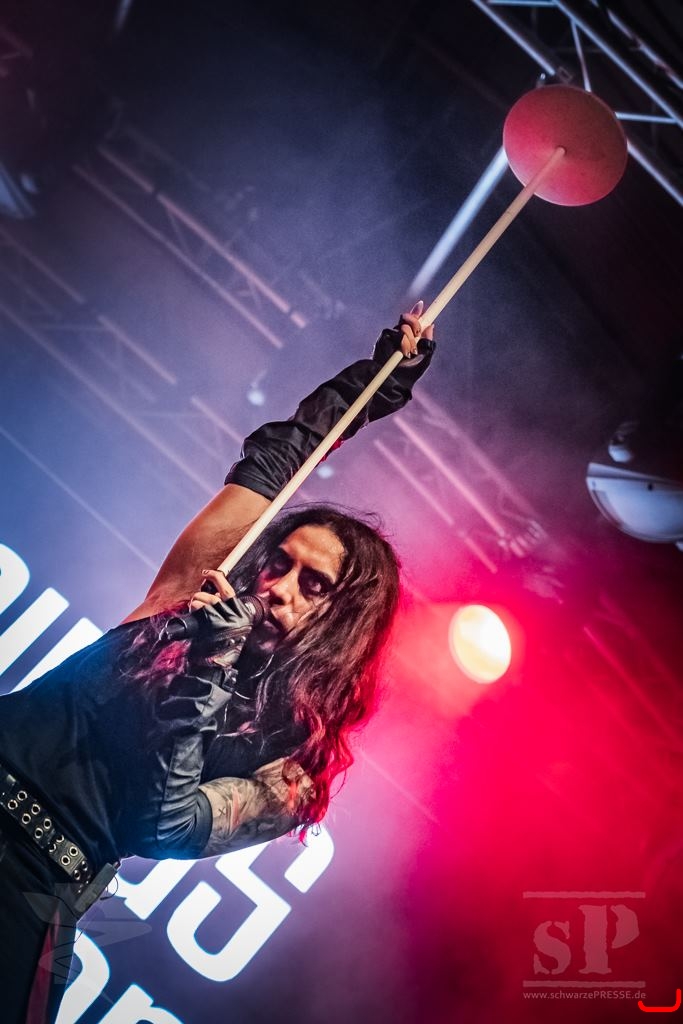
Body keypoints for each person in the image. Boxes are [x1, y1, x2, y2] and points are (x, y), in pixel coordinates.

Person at [0, 307, 435, 1022]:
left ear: (343, 623)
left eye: (313, 585)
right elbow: (275, 461)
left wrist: (211, 668)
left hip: (28, 895)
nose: (279, 587)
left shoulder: (292, 771)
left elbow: (163, 830)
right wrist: (373, 383)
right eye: (280, 563)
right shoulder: (187, 597)